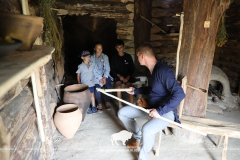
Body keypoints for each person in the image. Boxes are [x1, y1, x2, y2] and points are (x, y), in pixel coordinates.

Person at [118, 43, 185, 160]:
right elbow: (152, 90)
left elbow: (180, 94)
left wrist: (160, 111)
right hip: (150, 107)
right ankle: (138, 137)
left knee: (147, 129)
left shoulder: (163, 71)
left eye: (137, 56)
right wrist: (136, 90)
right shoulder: (150, 71)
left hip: (165, 111)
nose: (137, 59)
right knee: (122, 112)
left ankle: (143, 157)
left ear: (142, 56)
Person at [111, 39, 135, 108]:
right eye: (118, 47)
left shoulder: (128, 56)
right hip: (119, 76)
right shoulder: (114, 57)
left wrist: (128, 77)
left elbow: (132, 69)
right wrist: (119, 76)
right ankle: (120, 106)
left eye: (121, 47)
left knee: (130, 88)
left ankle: (132, 106)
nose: (119, 49)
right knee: (118, 87)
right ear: (116, 48)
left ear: (124, 47)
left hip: (127, 76)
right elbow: (113, 70)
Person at [90, 42, 113, 112]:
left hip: (105, 75)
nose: (100, 50)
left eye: (101, 48)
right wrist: (100, 78)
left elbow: (108, 68)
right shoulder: (91, 58)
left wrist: (105, 77)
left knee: (109, 87)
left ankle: (107, 101)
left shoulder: (105, 56)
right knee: (97, 88)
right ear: (94, 49)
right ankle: (99, 103)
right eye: (98, 48)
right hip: (96, 76)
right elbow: (93, 69)